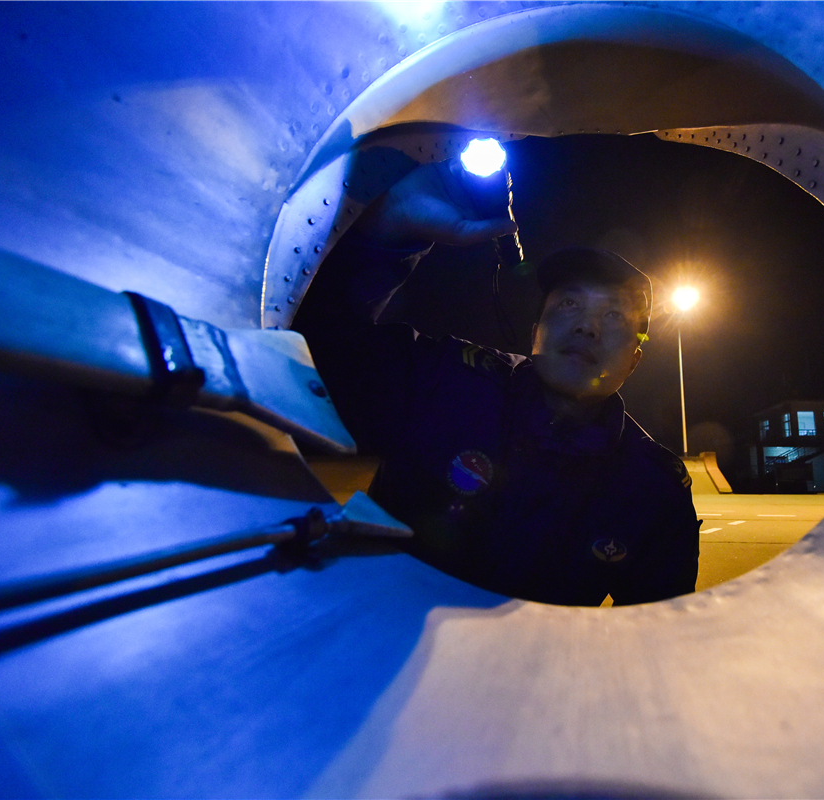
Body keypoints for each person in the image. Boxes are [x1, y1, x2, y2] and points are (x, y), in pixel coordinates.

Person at [294, 159, 699, 606]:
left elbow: (657, 632)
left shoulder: (650, 489)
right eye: (569, 304)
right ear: (535, 333)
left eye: (615, 316)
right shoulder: (444, 383)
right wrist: (391, 228)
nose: (588, 327)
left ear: (635, 360)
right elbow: (315, 354)